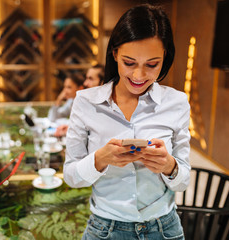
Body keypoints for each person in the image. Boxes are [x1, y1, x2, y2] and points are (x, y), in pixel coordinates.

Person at [64, 4, 190, 240]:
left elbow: (183, 182)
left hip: (163, 228)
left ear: (165, 57)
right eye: (129, 62)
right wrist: (100, 159)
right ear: (114, 54)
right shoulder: (85, 102)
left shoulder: (177, 102)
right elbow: (71, 176)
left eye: (152, 64)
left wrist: (169, 166)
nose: (139, 76)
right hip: (105, 228)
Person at [54, 64, 105, 137]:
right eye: (86, 78)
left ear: (103, 83)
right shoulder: (87, 102)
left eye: (90, 79)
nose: (85, 83)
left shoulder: (107, 107)